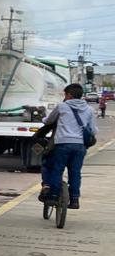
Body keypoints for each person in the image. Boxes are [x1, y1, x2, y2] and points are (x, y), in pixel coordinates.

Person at [35, 82, 97, 210]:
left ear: (69, 95)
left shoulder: (62, 107)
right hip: (79, 146)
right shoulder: (89, 110)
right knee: (75, 172)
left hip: (63, 144)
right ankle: (74, 199)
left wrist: (43, 120)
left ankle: (53, 195)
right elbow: (93, 130)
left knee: (57, 169)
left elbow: (49, 121)